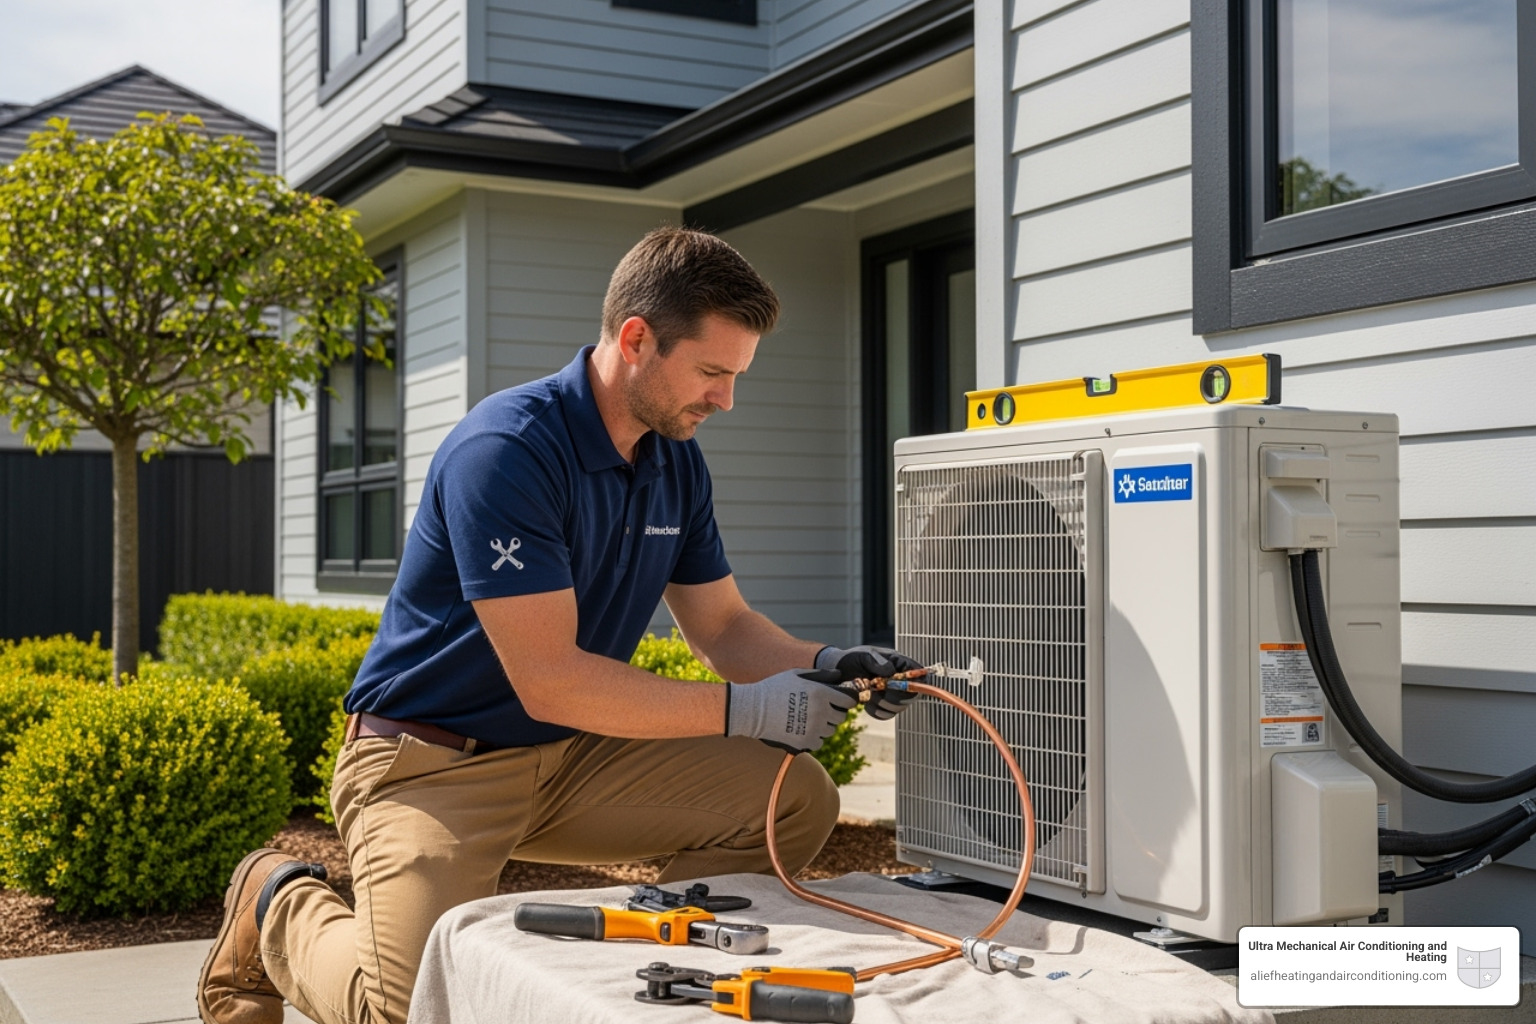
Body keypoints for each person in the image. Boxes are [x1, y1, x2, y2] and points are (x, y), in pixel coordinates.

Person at [198, 227, 922, 1024]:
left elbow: (723, 627)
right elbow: (551, 678)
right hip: (432, 766)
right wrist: (748, 708)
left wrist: (831, 662)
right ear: (637, 339)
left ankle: (654, 971)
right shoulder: (507, 451)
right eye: (713, 372)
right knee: (406, 1010)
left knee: (795, 802)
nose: (726, 400)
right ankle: (277, 902)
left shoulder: (673, 460)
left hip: (571, 759)